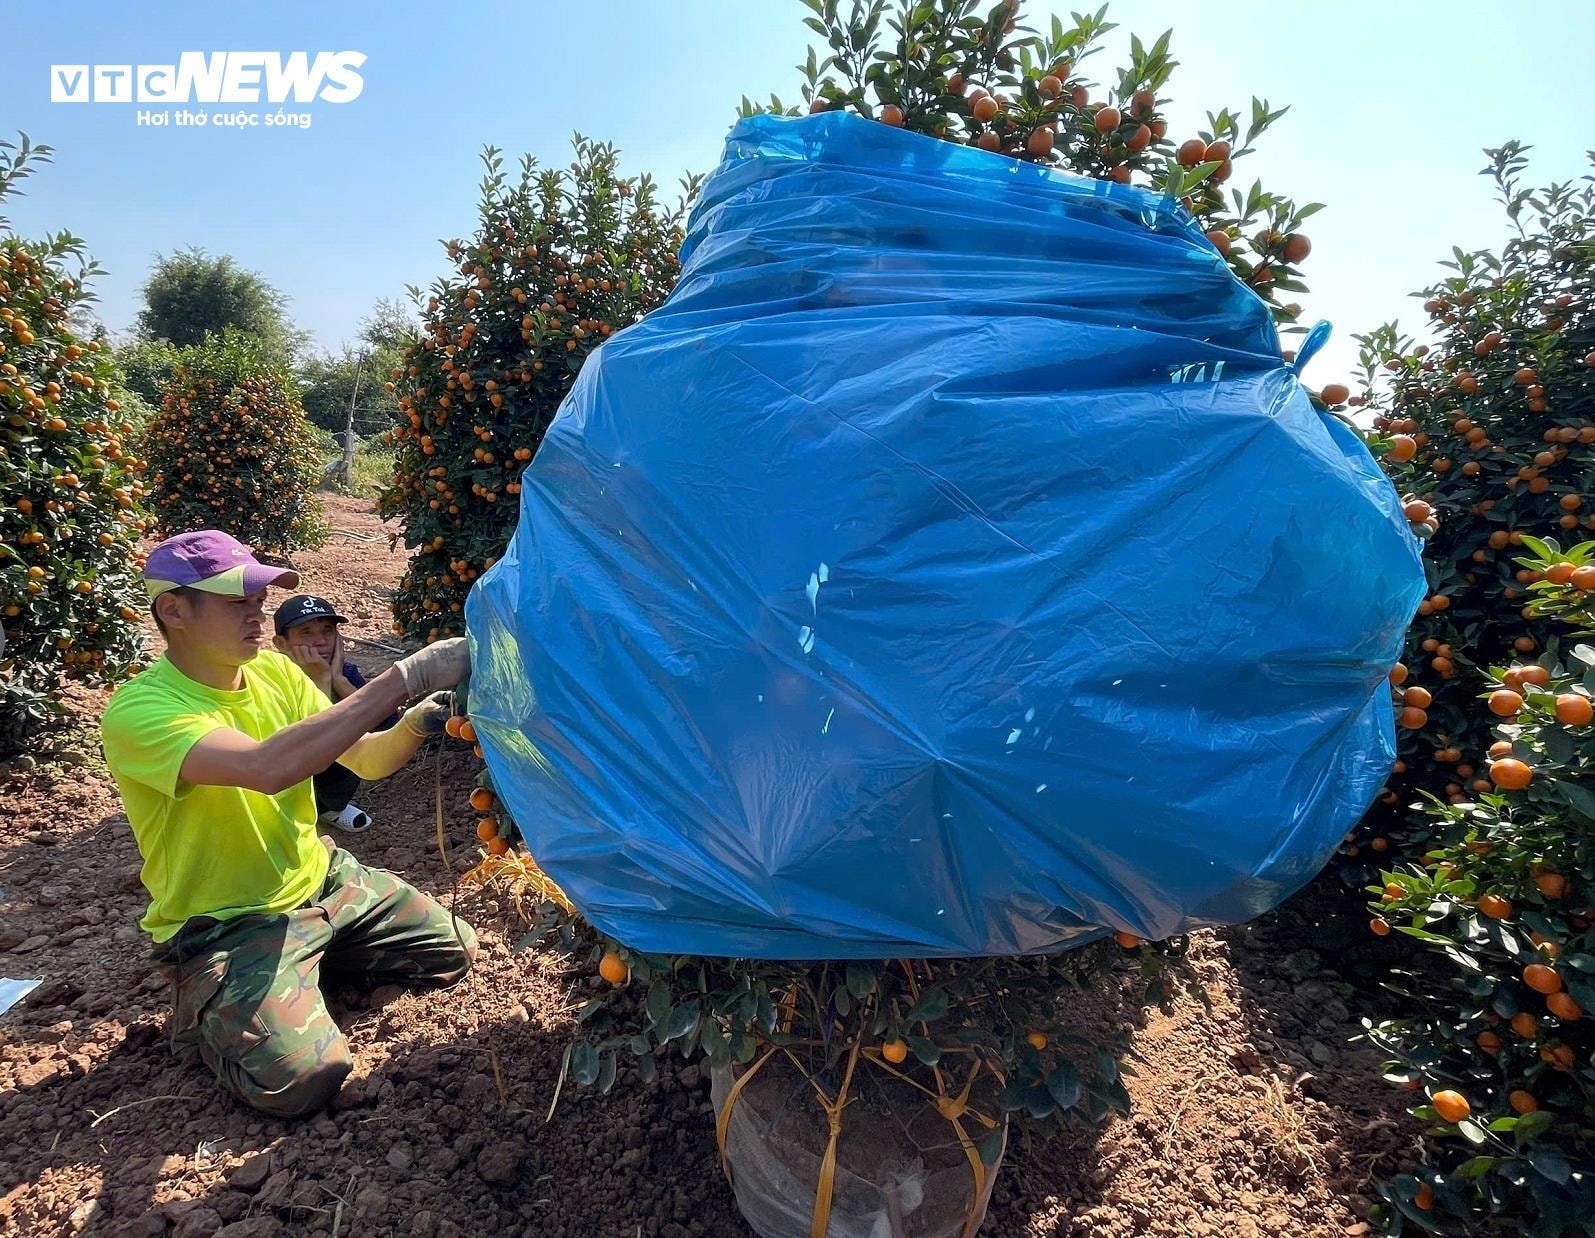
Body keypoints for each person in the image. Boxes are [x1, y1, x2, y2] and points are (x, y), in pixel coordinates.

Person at [100, 529, 478, 1118]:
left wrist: (419, 721)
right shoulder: (142, 712)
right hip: (230, 924)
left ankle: (307, 960)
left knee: (454, 949)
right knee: (303, 1080)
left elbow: (366, 758)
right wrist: (406, 678)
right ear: (174, 610)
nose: (257, 615)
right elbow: (267, 767)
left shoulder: (277, 674)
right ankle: (211, 1004)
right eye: (236, 602)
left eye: (258, 600)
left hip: (323, 883)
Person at [271, 593, 399, 832]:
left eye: (328, 630)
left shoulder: (343, 671)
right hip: (282, 786)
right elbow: (306, 745)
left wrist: (338, 680)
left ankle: (327, 806)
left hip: (326, 777)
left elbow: (387, 725)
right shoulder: (272, 682)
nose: (321, 641)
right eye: (306, 633)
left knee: (356, 735)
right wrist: (320, 682)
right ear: (281, 644)